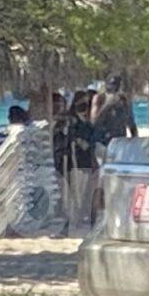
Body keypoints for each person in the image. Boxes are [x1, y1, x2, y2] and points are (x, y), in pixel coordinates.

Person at [64, 91, 100, 231]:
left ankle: (84, 217)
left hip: (88, 161)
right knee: (77, 192)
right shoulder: (73, 123)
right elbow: (73, 141)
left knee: (87, 191)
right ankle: (75, 219)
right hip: (77, 162)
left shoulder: (86, 122)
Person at [91, 74, 137, 144]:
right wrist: (108, 104)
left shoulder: (123, 101)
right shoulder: (100, 98)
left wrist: (134, 139)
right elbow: (94, 122)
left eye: (116, 87)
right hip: (102, 140)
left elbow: (131, 122)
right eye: (111, 86)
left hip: (119, 140)